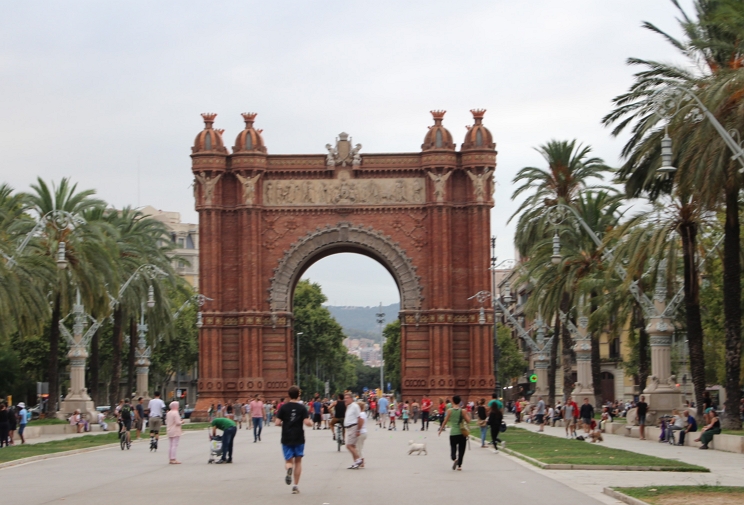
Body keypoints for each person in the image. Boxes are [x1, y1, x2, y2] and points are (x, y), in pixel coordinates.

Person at [275, 385, 312, 494]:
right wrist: (311, 423)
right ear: (298, 395)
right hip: (299, 437)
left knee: (288, 461)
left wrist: (285, 425)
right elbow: (307, 422)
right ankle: (295, 486)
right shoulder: (302, 408)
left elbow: (277, 422)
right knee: (298, 461)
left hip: (286, 437)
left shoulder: (283, 407)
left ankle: (289, 469)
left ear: (289, 395)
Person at [438, 395, 470, 470]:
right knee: (461, 450)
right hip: (462, 433)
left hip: (453, 433)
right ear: (460, 401)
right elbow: (468, 421)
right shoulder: (463, 411)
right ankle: (459, 466)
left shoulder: (449, 411)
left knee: (453, 447)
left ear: (453, 401)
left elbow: (445, 421)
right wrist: (467, 414)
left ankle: (454, 459)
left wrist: (440, 430)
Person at [344, 392, 363, 469]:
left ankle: (358, 459)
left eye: (347, 398)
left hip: (353, 427)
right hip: (349, 428)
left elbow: (359, 418)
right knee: (352, 446)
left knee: (349, 445)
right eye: (345, 398)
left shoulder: (355, 406)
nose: (346, 400)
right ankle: (355, 462)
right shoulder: (348, 406)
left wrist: (358, 430)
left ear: (351, 398)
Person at [356, 401, 368, 467]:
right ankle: (361, 461)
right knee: (360, 447)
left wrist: (358, 430)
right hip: (364, 432)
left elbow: (360, 422)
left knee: (359, 448)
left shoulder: (361, 414)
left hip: (361, 432)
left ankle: (362, 462)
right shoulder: (364, 413)